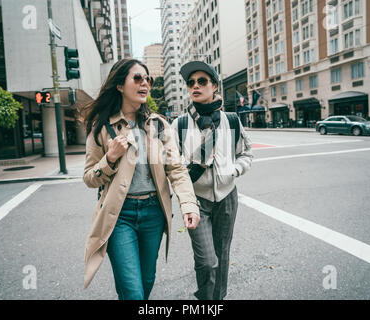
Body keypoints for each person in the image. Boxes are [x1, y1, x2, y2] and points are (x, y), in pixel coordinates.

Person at [80, 58, 200, 299]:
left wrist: (189, 204)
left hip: (153, 214)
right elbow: (89, 178)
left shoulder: (158, 125)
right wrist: (110, 158)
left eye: (148, 79)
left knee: (145, 283)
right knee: (132, 291)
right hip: (119, 216)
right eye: (137, 78)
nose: (145, 83)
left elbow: (176, 170)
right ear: (120, 86)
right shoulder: (102, 127)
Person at [171, 61, 253, 300]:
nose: (195, 86)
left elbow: (247, 153)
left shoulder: (232, 121)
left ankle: (216, 301)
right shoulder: (180, 124)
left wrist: (234, 170)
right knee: (207, 260)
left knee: (223, 253)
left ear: (214, 86)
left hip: (227, 197)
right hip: (196, 200)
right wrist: (197, 161)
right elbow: (172, 166)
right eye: (191, 82)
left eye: (202, 81)